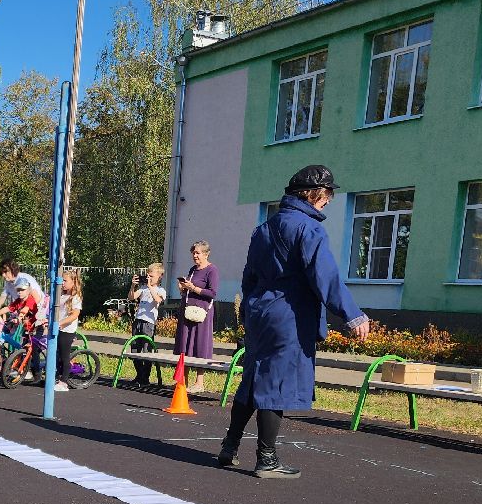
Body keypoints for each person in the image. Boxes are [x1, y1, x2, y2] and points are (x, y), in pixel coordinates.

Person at [218, 165, 370, 479]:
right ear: (314, 194)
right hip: (288, 315)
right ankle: (267, 459)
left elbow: (250, 276)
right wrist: (352, 314)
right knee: (276, 384)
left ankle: (229, 446)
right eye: (328, 193)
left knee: (253, 381)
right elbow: (325, 275)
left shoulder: (265, 228)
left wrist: (248, 309)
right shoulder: (308, 228)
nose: (329, 200)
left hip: (260, 312)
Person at [175, 241, 218, 392]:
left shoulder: (212, 270)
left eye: (198, 253)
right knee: (185, 344)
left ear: (206, 254)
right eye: (193, 253)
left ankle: (199, 383)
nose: (195, 255)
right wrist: (183, 288)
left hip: (202, 313)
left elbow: (212, 293)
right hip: (187, 310)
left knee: (200, 344)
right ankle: (183, 380)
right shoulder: (193, 269)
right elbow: (189, 289)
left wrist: (193, 288)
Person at [127, 262, 166, 391]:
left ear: (159, 276)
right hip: (138, 320)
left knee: (147, 350)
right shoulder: (142, 289)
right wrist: (133, 285)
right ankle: (139, 375)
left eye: (152, 276)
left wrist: (150, 286)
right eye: (147, 276)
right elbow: (131, 297)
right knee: (135, 349)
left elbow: (158, 300)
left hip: (149, 323)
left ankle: (145, 378)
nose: (148, 278)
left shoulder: (160, 290)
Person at [54, 267, 84, 393]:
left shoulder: (75, 297)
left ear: (73, 282)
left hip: (67, 331)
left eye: (65, 281)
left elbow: (74, 315)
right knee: (57, 356)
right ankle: (58, 377)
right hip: (58, 329)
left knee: (64, 357)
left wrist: (61, 323)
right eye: (62, 281)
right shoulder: (61, 295)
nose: (63, 283)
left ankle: (64, 382)